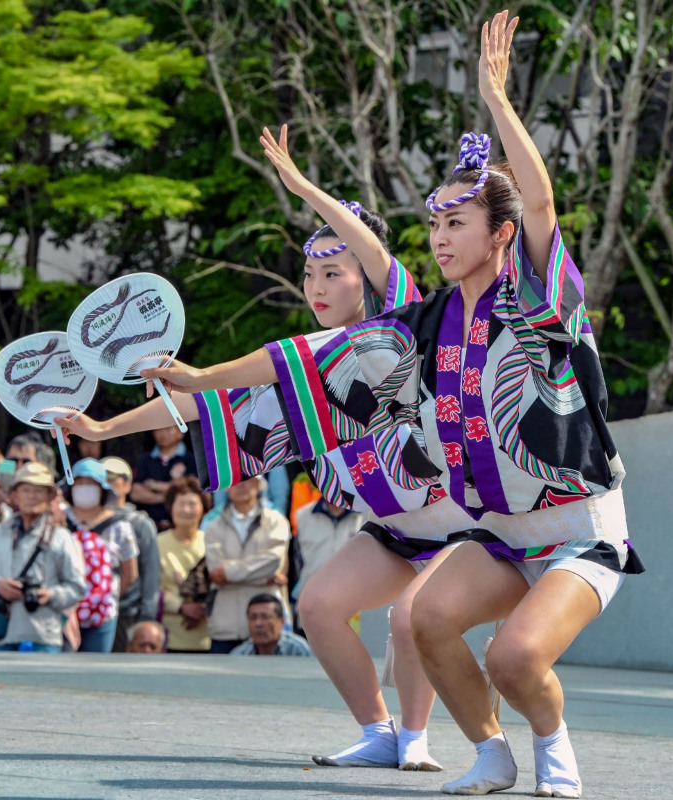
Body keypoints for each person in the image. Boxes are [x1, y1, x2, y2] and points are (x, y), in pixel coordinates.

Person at [54, 123, 478, 771]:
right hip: (392, 523)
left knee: (407, 619)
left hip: (459, 518)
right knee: (316, 605)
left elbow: (377, 256)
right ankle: (380, 730)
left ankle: (418, 740)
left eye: (333, 273)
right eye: (309, 273)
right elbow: (202, 402)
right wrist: (102, 430)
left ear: (363, 279)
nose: (318, 286)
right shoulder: (305, 378)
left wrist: (305, 188)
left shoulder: (403, 322)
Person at [0, 462, 85, 652]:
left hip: (43, 635)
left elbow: (77, 587)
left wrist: (52, 595)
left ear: (49, 496)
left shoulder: (61, 537)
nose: (32, 496)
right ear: (14, 496)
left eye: (39, 491)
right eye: (25, 490)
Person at [203, 476, 291, 653]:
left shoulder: (276, 520)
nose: (241, 485)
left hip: (267, 627)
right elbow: (214, 569)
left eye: (248, 479)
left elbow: (273, 561)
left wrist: (228, 574)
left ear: (259, 485)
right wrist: (262, 576)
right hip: (225, 625)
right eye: (234, 480)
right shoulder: (213, 525)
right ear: (226, 487)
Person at [63, 458, 139, 653]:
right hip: (62, 610)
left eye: (91, 484)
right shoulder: (59, 520)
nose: (84, 488)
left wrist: (106, 595)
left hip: (103, 614)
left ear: (103, 489)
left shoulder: (120, 526)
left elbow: (130, 574)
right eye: (79, 483)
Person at [100, 456, 161, 653]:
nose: (106, 484)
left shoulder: (140, 523)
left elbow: (151, 576)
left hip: (128, 613)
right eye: (100, 479)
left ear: (127, 485)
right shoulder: (85, 521)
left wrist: (146, 619)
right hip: (94, 612)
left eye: (112, 478)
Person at [157, 476, 212, 653]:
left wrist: (202, 608)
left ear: (203, 509)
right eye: (181, 504)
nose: (186, 510)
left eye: (192, 504)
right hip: (169, 636)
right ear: (171, 507)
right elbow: (151, 588)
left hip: (208, 635)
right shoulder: (158, 543)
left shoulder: (212, 542)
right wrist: (181, 606)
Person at [291, 498, 361, 632]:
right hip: (313, 604)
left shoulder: (364, 515)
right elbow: (298, 563)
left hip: (353, 607)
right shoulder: (303, 515)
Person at [131, 425, 198, 531]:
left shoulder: (192, 459)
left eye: (168, 429)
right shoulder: (145, 460)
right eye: (158, 429)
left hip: (181, 528)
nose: (163, 433)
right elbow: (136, 493)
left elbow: (194, 489)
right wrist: (172, 493)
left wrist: (154, 485)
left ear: (181, 433)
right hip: (149, 528)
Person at [230, 593, 313, 656]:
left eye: (265, 617)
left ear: (282, 622)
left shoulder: (298, 649)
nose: (258, 624)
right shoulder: (241, 654)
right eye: (253, 618)